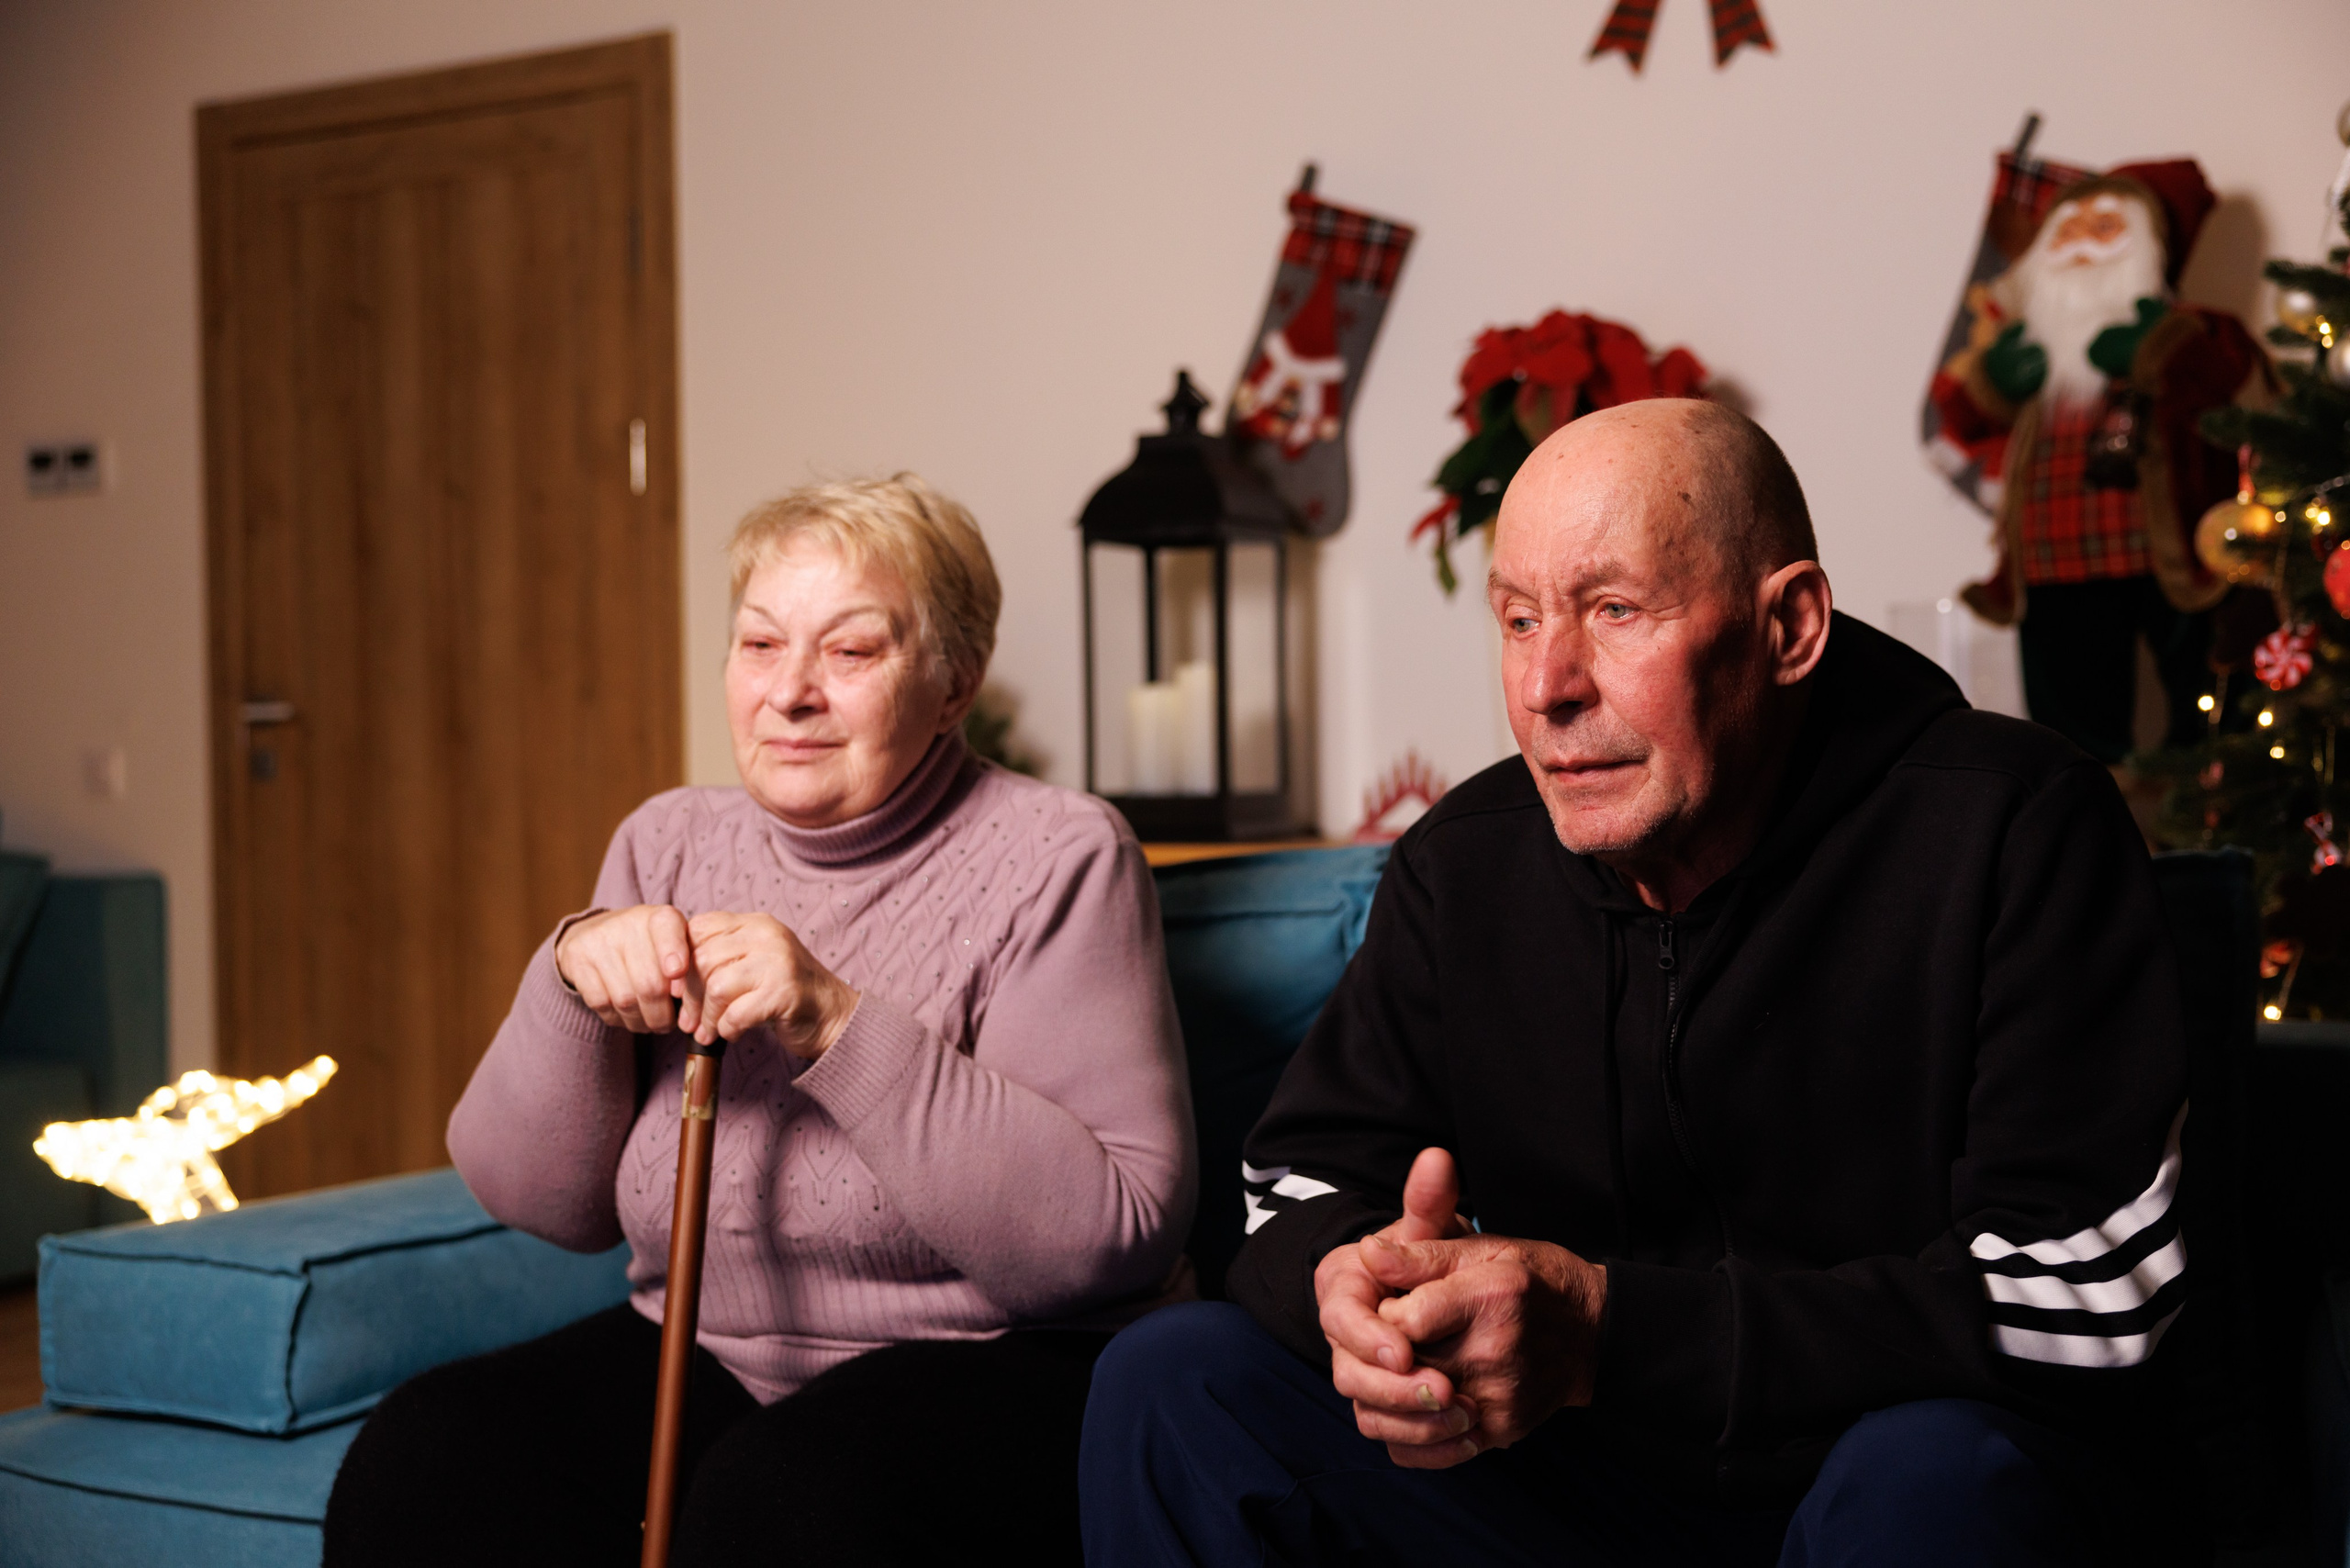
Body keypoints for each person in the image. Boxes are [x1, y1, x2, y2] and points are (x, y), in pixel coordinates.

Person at [1080, 401, 2192, 1565]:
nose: (1550, 684)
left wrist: (1606, 1329)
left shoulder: (2015, 826)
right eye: (1518, 619)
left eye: (1615, 611)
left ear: (1790, 628)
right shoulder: (1462, 862)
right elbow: (1294, 1185)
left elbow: (2088, 1293)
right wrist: (1365, 1290)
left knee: (1931, 1473)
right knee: (1174, 1380)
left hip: (1881, 1481)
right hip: (1569, 1492)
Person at [325, 475, 1196, 1567]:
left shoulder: (1060, 855)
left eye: (851, 651)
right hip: (712, 1352)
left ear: (954, 681)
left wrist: (835, 1022)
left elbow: (1105, 1238)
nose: (789, 692)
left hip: (1003, 1361)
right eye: (759, 644)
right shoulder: (668, 844)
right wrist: (566, 982)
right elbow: (542, 1203)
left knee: (782, 1498)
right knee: (428, 1454)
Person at [1930, 160, 2271, 763]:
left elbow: (2234, 378)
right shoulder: (2030, 346)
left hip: (2170, 555)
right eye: (2068, 229)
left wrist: (2157, 349)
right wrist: (1993, 379)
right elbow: (1957, 417)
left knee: (2206, 692)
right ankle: (2094, 817)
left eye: (2105, 228)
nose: (2082, 243)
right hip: (2053, 561)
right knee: (2068, 723)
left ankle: (2202, 800)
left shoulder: (2185, 330)